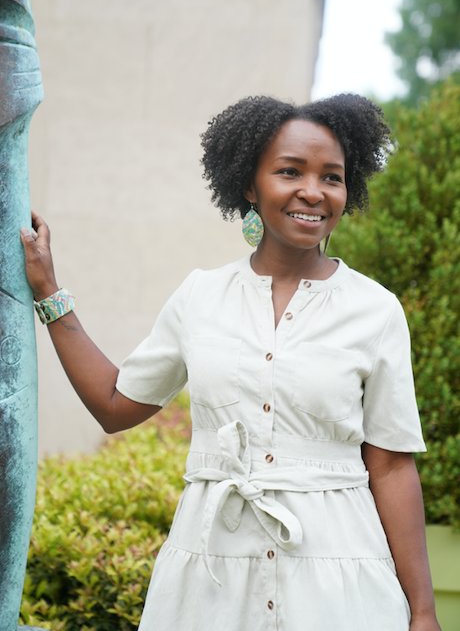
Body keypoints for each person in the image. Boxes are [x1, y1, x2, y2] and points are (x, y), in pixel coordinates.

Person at [21, 94, 441, 631]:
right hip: (208, 586)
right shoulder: (201, 296)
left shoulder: (376, 310)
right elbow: (114, 405)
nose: (312, 191)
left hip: (340, 583)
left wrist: (423, 613)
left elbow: (391, 465)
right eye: (290, 172)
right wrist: (50, 293)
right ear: (249, 184)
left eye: (331, 177)